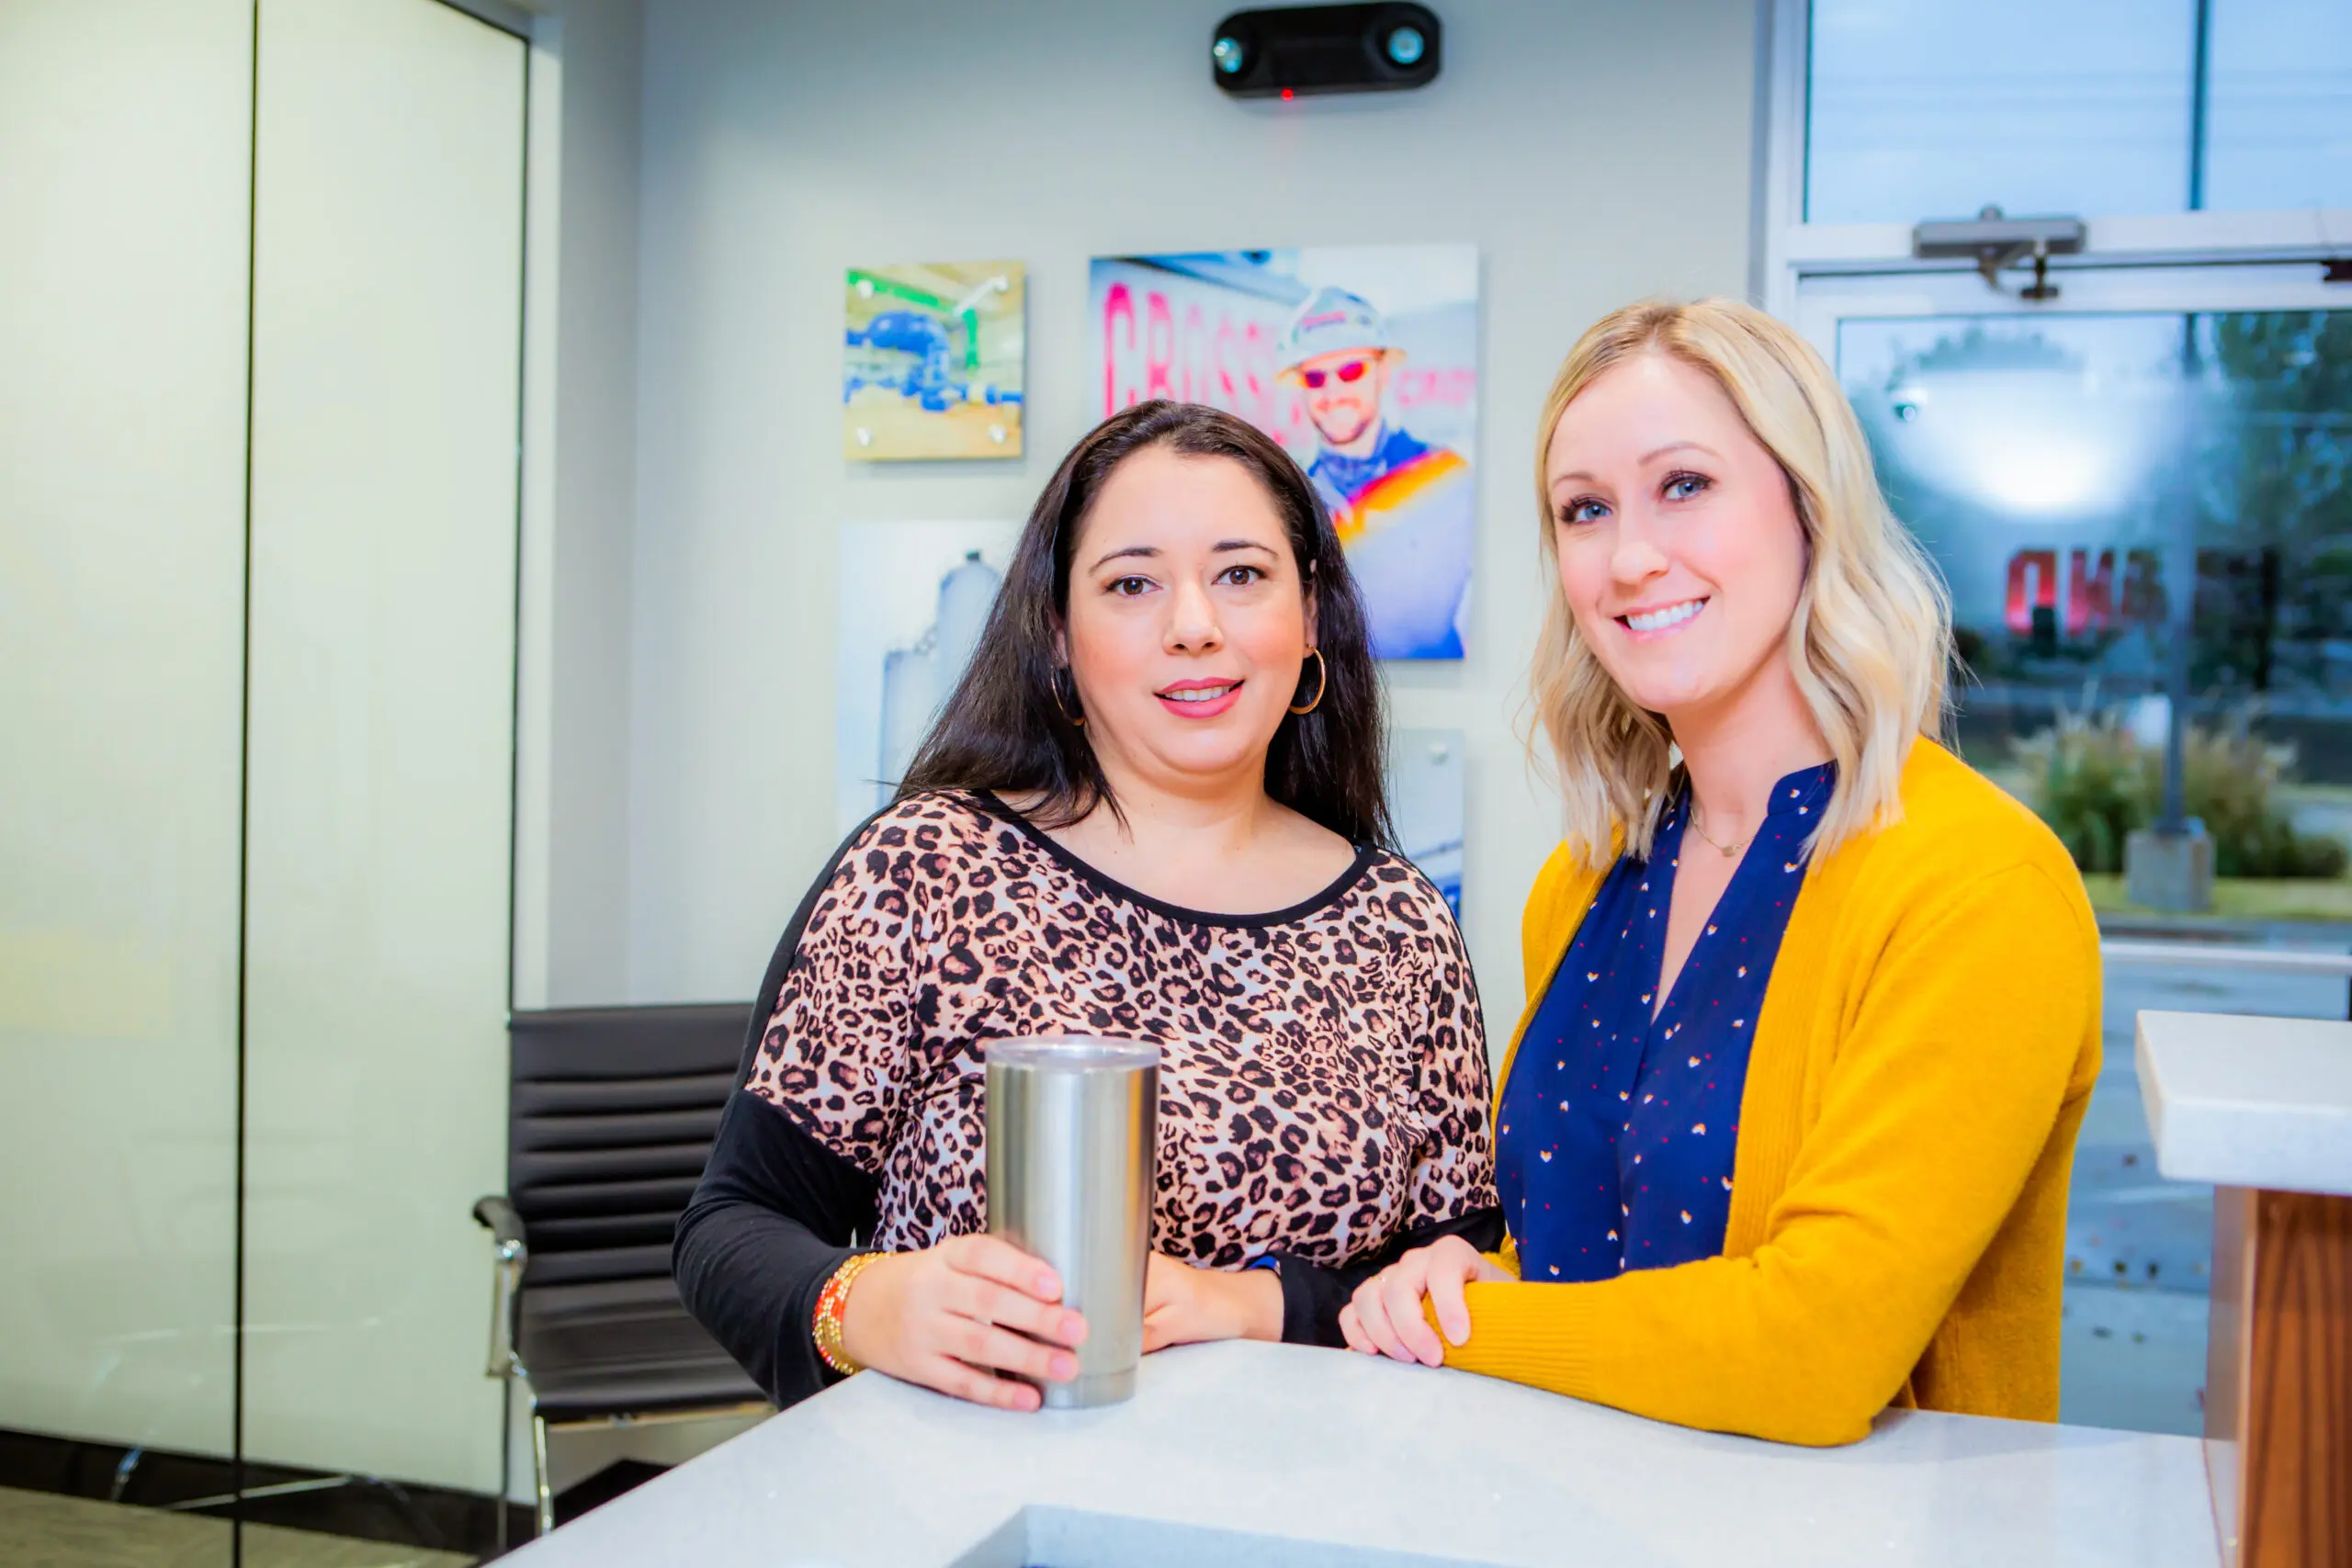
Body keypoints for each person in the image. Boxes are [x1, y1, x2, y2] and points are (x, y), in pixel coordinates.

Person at [1339, 299, 2103, 1447]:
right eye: (1584, 511)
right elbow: (1589, 1240)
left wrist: (1466, 1332)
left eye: (1684, 485)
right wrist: (1454, 1275)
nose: (1631, 556)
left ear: (1808, 506)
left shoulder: (1978, 885)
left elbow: (1816, 1347)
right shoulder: (1588, 880)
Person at [675, 400, 1499, 1414]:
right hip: (979, 1504)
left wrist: (1251, 1304)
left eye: (1241, 574)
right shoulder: (928, 873)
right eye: (1132, 583)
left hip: (1312, 1501)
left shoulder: (1399, 928)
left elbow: (1460, 1285)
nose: (1193, 625)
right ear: (1059, 636)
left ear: (1312, 612)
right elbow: (732, 1225)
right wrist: (868, 1302)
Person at [1279, 287, 1474, 660]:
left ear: (1383, 373)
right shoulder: (1288, 495)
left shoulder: (1450, 479)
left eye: (1351, 371)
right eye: (1315, 379)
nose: (1332, 392)